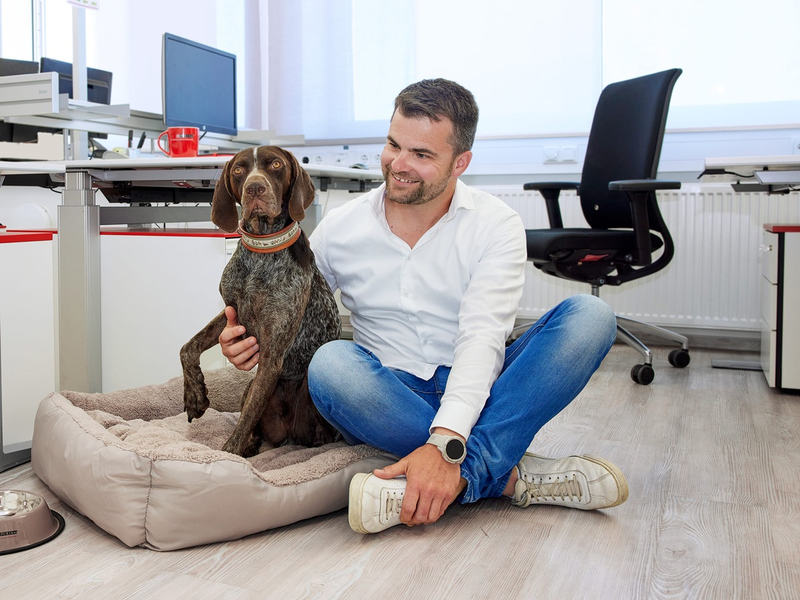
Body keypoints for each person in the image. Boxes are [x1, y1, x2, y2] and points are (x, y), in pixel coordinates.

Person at [220, 78, 627, 534]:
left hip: (479, 384)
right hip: (385, 393)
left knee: (591, 317)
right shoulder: (341, 227)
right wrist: (241, 342)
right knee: (330, 364)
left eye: (422, 154)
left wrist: (448, 439)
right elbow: (292, 307)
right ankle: (506, 474)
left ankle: (462, 475)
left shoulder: (496, 224)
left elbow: (482, 338)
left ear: (460, 163)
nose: (399, 165)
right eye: (394, 145)